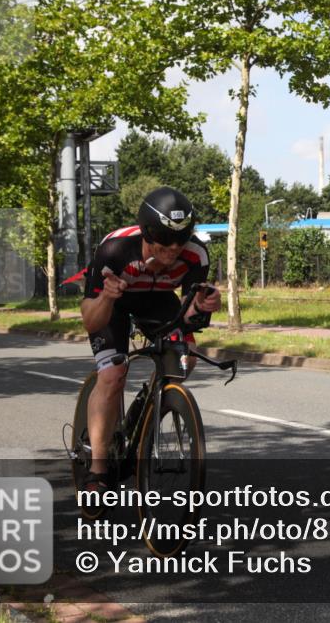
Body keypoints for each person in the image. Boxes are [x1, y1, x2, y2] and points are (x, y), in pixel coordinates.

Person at [80, 186, 220, 497]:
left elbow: (188, 314)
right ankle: (98, 469)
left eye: (180, 241)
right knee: (113, 374)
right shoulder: (115, 250)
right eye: (165, 242)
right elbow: (90, 319)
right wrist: (106, 296)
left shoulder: (195, 255)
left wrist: (204, 305)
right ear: (147, 233)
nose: (173, 250)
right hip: (112, 303)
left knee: (188, 357)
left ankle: (153, 399)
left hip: (158, 300)